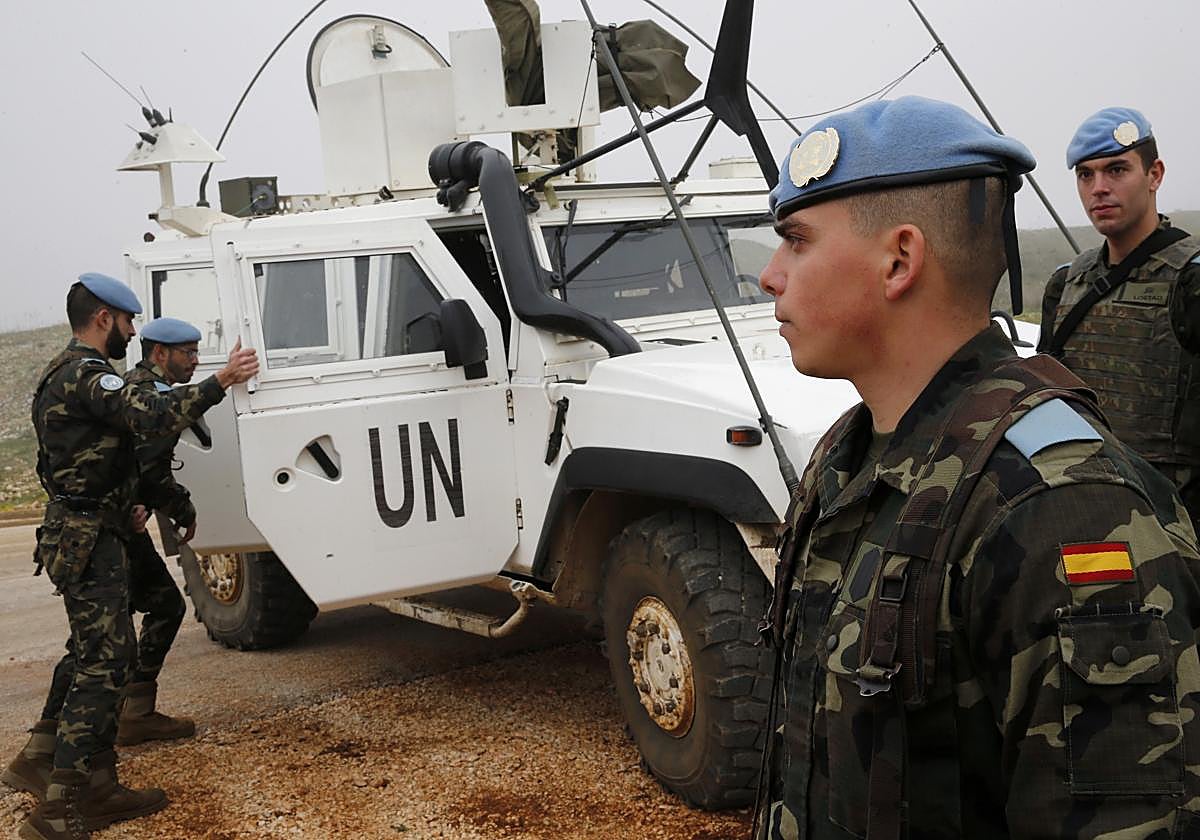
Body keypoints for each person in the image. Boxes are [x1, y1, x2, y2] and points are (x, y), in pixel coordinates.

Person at [754, 96, 1200, 839]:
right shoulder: (846, 457)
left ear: (899, 259)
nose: (771, 276)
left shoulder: (1059, 509)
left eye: (796, 241)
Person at [3, 274, 258, 840]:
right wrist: (220, 381)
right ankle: (59, 805)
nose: (131, 332)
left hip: (92, 527)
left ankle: (66, 769)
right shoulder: (87, 375)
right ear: (103, 319)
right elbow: (147, 418)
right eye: (126, 322)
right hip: (89, 535)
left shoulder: (63, 373)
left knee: (96, 651)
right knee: (103, 663)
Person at [1037, 107, 1200, 522]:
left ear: (1154, 175)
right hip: (1085, 516)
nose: (1099, 188)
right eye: (1085, 175)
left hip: (1178, 528)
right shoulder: (1067, 284)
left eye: (1116, 170)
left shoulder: (1190, 281)